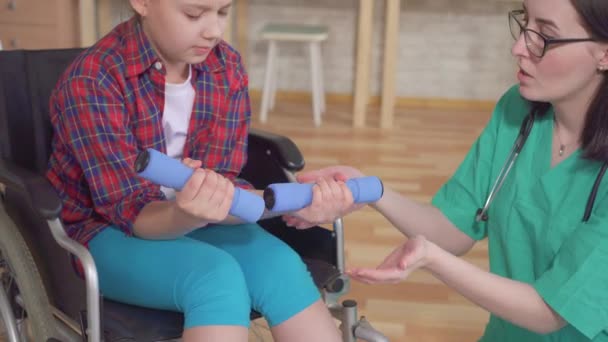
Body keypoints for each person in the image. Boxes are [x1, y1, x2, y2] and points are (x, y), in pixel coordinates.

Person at [288, 0, 608, 340]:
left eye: (544, 35)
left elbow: (548, 312)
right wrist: (371, 190)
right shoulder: (517, 111)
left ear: (604, 53)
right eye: (525, 23)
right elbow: (452, 229)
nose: (518, 47)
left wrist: (431, 258)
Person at [46, 1, 355, 341]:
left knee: (282, 268)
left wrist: (289, 203)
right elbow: (133, 213)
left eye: (223, 11)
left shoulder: (226, 66)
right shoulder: (92, 81)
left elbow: (222, 191)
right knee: (215, 279)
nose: (214, 31)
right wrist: (186, 214)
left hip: (195, 216)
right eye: (194, 14)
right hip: (103, 230)